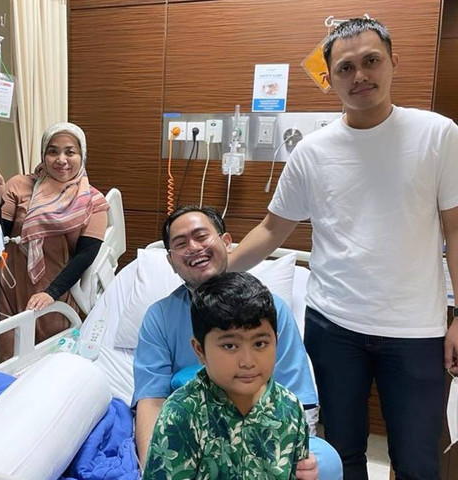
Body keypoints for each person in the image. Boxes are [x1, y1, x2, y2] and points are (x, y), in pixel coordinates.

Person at [227, 18, 458, 480]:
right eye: (346, 68)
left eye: (371, 61)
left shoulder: (438, 135)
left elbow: (455, 232)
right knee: (339, 453)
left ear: (393, 62)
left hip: (416, 331)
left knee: (417, 461)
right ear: (329, 78)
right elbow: (272, 230)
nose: (360, 76)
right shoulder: (312, 152)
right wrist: (216, 270)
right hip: (333, 327)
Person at [133, 205, 343, 480]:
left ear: (227, 242)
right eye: (181, 243)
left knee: (325, 463)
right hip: (194, 432)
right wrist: (154, 461)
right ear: (171, 261)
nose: (194, 247)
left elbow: (296, 400)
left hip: (267, 428)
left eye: (201, 236)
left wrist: (297, 453)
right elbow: (152, 400)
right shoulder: (160, 317)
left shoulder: (270, 310)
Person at [143, 272, 309, 479]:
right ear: (199, 350)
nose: (247, 361)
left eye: (260, 344)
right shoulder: (182, 415)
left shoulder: (290, 409)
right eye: (230, 346)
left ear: (276, 341)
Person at [0, 122, 109, 370]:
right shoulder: (20, 186)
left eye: (70, 152)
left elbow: (85, 255)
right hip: (8, 286)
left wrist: (51, 293)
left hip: (57, 292)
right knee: (3, 364)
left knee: (47, 367)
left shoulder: (93, 201)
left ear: (82, 155)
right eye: (53, 151)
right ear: (43, 155)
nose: (61, 159)